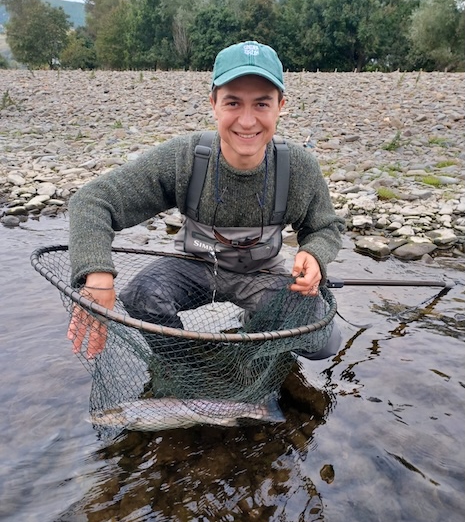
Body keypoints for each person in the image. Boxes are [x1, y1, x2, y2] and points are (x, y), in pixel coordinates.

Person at [67, 40, 345, 361]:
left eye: (261, 104)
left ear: (280, 106)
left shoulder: (298, 167)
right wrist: (97, 273)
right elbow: (92, 200)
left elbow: (325, 227)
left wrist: (315, 254)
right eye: (232, 103)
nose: (246, 121)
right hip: (194, 267)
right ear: (214, 104)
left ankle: (256, 324)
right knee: (143, 297)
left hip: (262, 275)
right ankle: (184, 365)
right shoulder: (184, 158)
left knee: (323, 341)